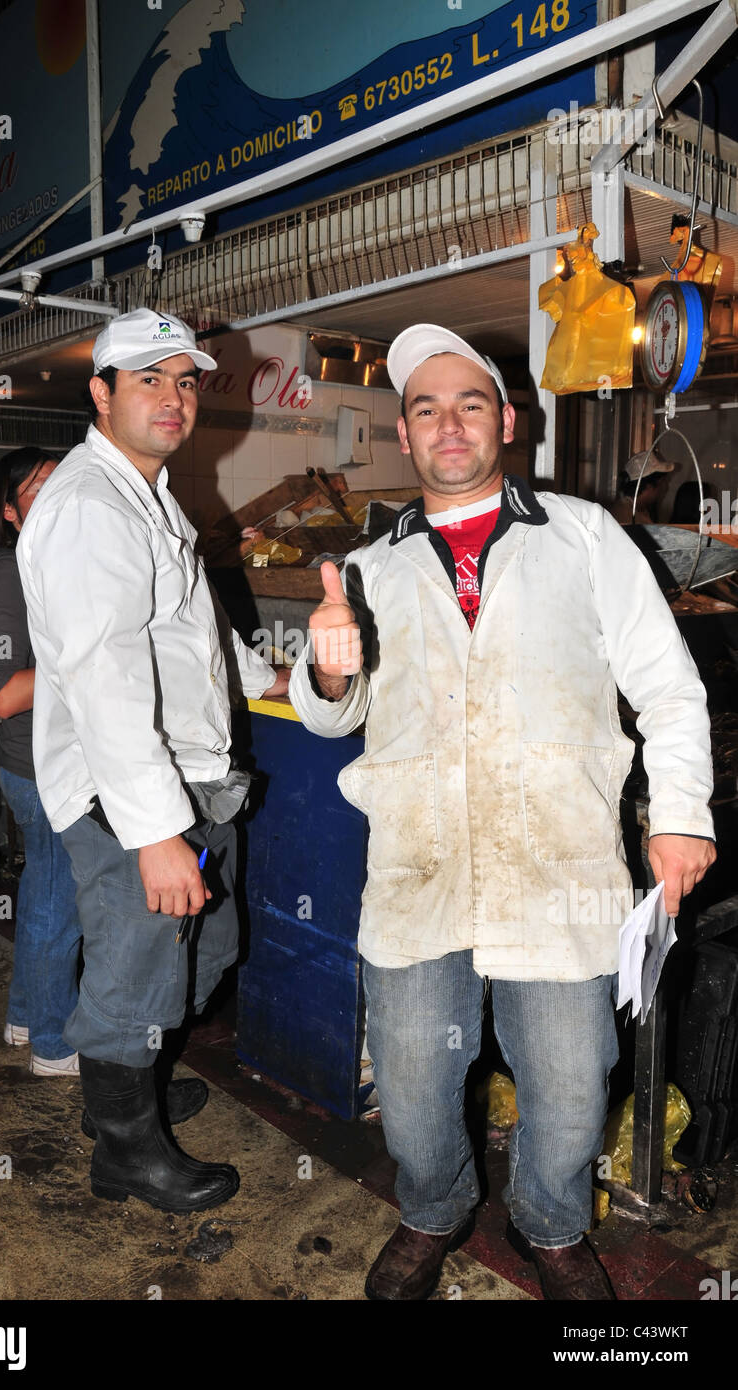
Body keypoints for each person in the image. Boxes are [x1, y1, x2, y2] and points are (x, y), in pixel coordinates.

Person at [288, 323, 716, 1301]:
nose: (447, 423)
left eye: (468, 402)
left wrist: (681, 811)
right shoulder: (369, 566)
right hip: (419, 872)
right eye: (426, 407)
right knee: (409, 1094)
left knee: (569, 1093)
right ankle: (432, 1209)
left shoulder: (581, 536)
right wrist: (323, 666)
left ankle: (549, 1223)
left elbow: (667, 685)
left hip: (557, 869)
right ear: (403, 432)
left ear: (505, 421)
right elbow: (330, 713)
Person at [16, 307, 289, 1215]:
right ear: (101, 392)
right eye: (148, 380)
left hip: (187, 776)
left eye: (185, 381)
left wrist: (268, 674)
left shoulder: (150, 491)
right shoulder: (91, 505)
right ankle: (123, 1149)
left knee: (204, 948)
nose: (173, 400)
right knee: (137, 970)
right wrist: (157, 832)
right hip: (131, 792)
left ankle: (125, 1086)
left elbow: (185, 636)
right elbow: (105, 679)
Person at [0, 448, 82, 1075]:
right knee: (62, 901)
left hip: (39, 763)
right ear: (9, 511)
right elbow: (4, 694)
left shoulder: (41, 565)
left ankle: (28, 1017)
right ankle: (57, 1045)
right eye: (37, 491)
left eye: (63, 483)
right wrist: (93, 656)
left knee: (43, 894)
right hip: (41, 765)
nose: (56, 497)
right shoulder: (6, 572)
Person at [609, 450, 675, 525]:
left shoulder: (639, 509)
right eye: (662, 482)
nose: (665, 487)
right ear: (649, 486)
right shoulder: (624, 515)